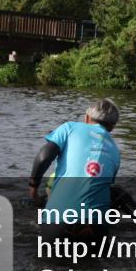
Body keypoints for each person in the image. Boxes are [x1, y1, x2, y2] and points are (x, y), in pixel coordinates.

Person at [29, 99, 122, 239]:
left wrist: (33, 188)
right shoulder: (115, 151)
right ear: (112, 127)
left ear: (87, 117)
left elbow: (43, 157)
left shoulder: (69, 128)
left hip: (58, 222)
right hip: (95, 229)